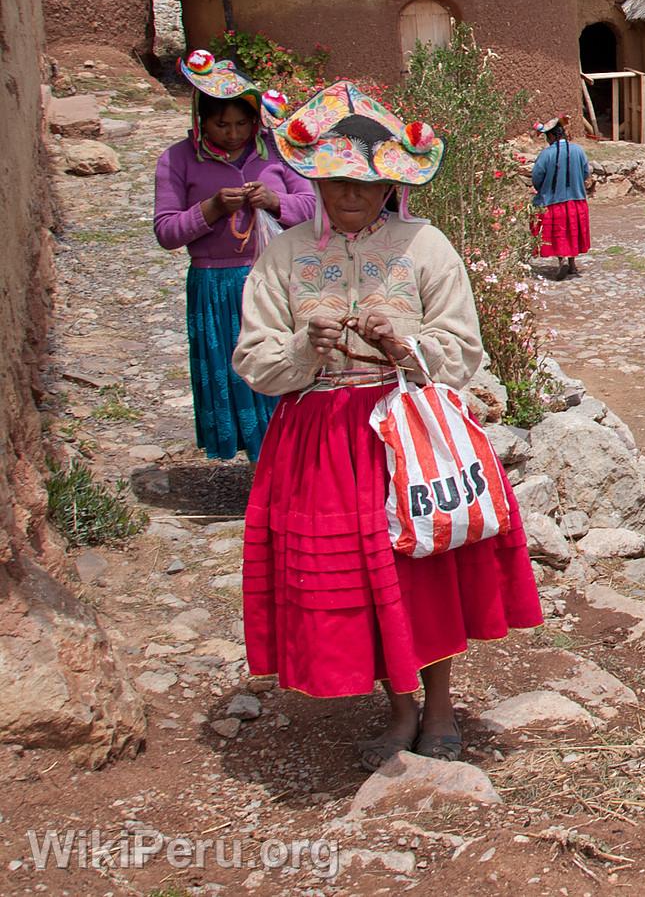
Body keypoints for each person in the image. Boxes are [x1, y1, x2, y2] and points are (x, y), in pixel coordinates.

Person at [234, 81, 542, 770]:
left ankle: (436, 707)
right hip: (320, 444)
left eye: (367, 182)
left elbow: (462, 351)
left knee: (419, 574)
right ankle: (398, 705)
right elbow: (254, 359)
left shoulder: (424, 247)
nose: (352, 194)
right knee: (355, 578)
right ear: (315, 178)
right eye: (338, 179)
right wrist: (302, 348)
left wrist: (402, 338)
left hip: (406, 438)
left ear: (390, 184)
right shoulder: (282, 256)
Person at [153, 49, 316, 461]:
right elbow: (167, 232)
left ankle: (290, 459)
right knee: (238, 377)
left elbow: (314, 206)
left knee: (286, 369)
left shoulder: (277, 153)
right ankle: (262, 461)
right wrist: (210, 209)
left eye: (242, 123)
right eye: (220, 124)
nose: (232, 133)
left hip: (277, 280)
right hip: (218, 288)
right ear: (201, 120)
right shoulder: (177, 160)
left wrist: (276, 202)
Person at [529, 115, 592, 278]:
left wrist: (543, 189)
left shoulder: (546, 155)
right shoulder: (578, 150)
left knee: (560, 234)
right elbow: (586, 172)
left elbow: (537, 177)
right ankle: (572, 263)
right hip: (576, 200)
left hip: (553, 202)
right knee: (572, 232)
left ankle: (561, 261)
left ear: (551, 136)